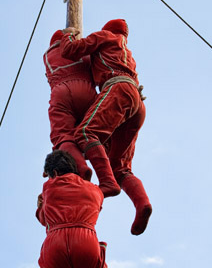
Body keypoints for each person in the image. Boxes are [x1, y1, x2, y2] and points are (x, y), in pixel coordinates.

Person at [60, 19, 152, 235]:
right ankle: (142, 204)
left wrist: (69, 34)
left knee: (85, 132)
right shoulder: (127, 52)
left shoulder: (105, 36)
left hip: (118, 89)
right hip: (137, 102)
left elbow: (70, 51)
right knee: (120, 166)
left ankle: (107, 183)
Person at [43, 29, 96, 180]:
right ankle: (108, 171)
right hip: (87, 90)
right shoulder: (82, 50)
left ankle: (81, 167)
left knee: (63, 136)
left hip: (61, 92)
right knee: (97, 129)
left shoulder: (48, 56)